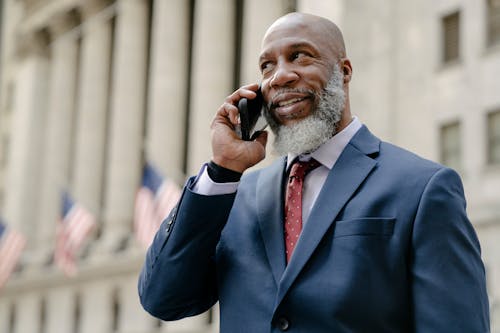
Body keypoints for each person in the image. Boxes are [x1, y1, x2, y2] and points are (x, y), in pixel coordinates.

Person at [138, 12, 490, 332]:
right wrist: (222, 171)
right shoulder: (234, 196)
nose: (280, 76)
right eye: (266, 66)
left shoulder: (423, 188)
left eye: (299, 56)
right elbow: (163, 299)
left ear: (344, 71)